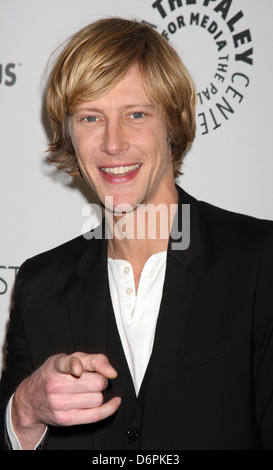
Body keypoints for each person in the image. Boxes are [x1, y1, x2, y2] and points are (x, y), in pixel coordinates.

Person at [0, 17, 273, 451]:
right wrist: (24, 411)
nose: (113, 143)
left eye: (136, 114)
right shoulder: (39, 284)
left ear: (174, 121)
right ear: (69, 135)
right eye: (91, 117)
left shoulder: (259, 260)